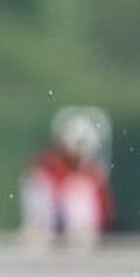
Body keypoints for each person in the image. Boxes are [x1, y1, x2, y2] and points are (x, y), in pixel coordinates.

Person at [19, 106, 114, 251]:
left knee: (79, 189)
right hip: (46, 228)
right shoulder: (45, 170)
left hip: (78, 235)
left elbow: (104, 217)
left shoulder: (91, 177)